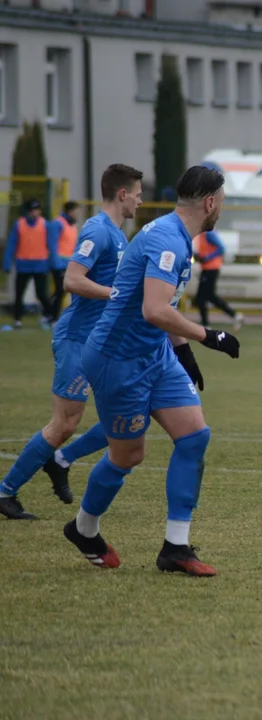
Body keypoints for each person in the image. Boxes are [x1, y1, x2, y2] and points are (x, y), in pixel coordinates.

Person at [64, 165, 240, 577]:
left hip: (154, 353)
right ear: (210, 202)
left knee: (195, 436)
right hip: (116, 358)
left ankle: (175, 548)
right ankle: (84, 527)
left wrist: (183, 353)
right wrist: (207, 336)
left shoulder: (175, 235)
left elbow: (163, 308)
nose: (221, 210)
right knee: (129, 455)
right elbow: (154, 309)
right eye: (223, 202)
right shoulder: (167, 240)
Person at [0, 166, 144, 521]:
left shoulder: (119, 235)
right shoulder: (97, 229)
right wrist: (115, 293)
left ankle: (61, 460)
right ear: (122, 194)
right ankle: (5, 492)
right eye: (138, 194)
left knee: (129, 415)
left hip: (102, 343)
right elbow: (72, 280)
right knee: (64, 423)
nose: (141, 201)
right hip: (78, 340)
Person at [4, 198, 57, 329]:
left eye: (37, 210)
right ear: (28, 211)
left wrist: (53, 263)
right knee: (19, 293)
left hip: (40, 264)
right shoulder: (19, 224)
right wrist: (7, 263)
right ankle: (17, 319)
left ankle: (50, 315)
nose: (35, 212)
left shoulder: (45, 224)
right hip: (23, 264)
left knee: (41, 293)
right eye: (33, 210)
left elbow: (51, 245)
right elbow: (11, 244)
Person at [193, 229, 243, 331]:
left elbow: (221, 248)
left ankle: (206, 323)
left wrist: (207, 257)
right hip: (207, 268)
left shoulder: (208, 233)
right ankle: (234, 315)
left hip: (211, 268)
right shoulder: (201, 233)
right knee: (208, 296)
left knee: (202, 297)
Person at [49, 201, 81, 321]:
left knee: (62, 291)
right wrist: (56, 263)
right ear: (70, 211)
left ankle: (51, 315)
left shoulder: (72, 225)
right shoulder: (58, 223)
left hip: (69, 264)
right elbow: (52, 244)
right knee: (60, 291)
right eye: (77, 211)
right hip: (59, 264)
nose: (78, 214)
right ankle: (51, 316)